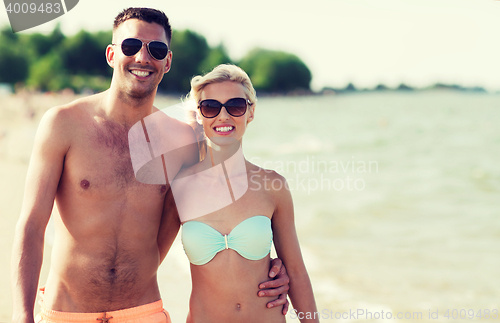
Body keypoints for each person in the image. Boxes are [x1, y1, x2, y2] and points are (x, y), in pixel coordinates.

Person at [11, 8, 289, 323]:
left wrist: (269, 268)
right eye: (130, 46)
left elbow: (215, 221)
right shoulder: (63, 124)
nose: (142, 57)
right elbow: (31, 226)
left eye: (155, 50)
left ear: (167, 61)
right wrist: (22, 314)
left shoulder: (183, 142)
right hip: (67, 313)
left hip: (143, 313)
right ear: (112, 54)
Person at [167, 64, 318, 323]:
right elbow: (146, 263)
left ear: (250, 112)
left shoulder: (273, 186)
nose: (223, 116)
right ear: (200, 115)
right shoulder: (178, 188)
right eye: (211, 107)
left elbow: (296, 271)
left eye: (235, 105)